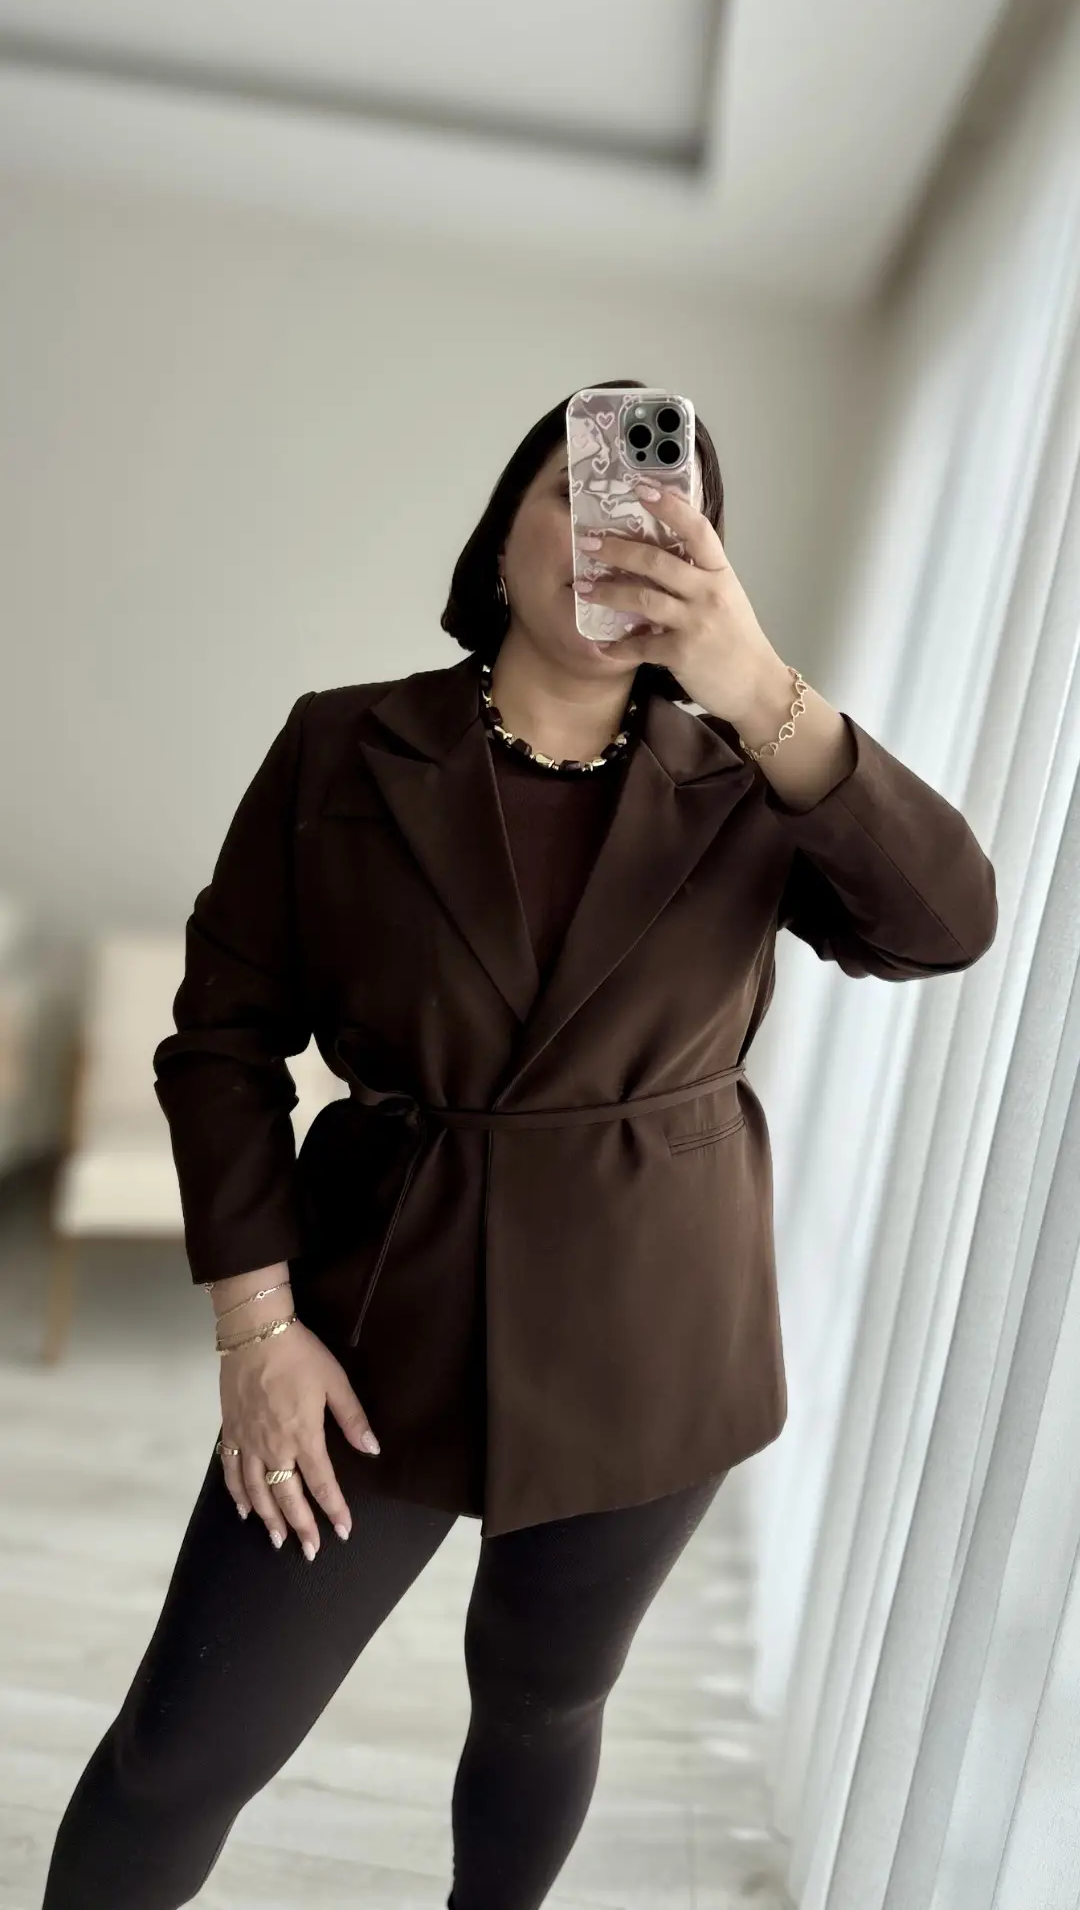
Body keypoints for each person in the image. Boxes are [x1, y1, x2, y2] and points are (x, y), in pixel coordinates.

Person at [42, 379, 998, 1910]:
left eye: (670, 511)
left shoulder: (753, 778)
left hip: (654, 1332)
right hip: (373, 1321)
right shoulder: (343, 748)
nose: (621, 532)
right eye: (578, 494)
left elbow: (944, 927)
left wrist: (758, 684)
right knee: (181, 1748)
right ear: (504, 538)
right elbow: (219, 1043)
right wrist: (254, 1327)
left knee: (546, 1709)